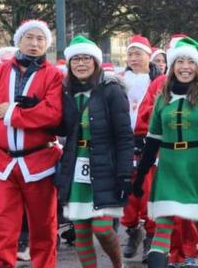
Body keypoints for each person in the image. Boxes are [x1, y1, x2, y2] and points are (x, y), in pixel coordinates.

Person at [0, 20, 63, 267]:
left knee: (43, 230)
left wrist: (14, 114)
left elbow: (54, 114)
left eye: (40, 39)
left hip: (40, 163)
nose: (35, 43)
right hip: (3, 163)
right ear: (19, 40)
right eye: (30, 37)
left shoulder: (54, 75)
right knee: (0, 228)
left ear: (46, 43)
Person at [133, 37, 198, 268]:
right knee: (164, 224)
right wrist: (141, 173)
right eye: (180, 61)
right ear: (173, 66)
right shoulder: (163, 97)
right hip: (169, 165)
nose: (185, 67)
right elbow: (152, 139)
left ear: (197, 67)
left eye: (190, 62)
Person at [54, 35, 134, 268]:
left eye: (86, 58)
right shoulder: (67, 92)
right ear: (69, 64)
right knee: (81, 231)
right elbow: (60, 126)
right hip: (75, 164)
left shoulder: (111, 90)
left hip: (104, 165)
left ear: (96, 62)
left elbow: (124, 135)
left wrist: (125, 172)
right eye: (75, 59)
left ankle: (118, 265)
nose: (80, 63)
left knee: (101, 227)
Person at [119, 34, 162, 263]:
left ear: (148, 56)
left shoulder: (158, 81)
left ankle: (151, 237)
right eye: (130, 54)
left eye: (138, 54)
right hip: (125, 142)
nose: (133, 58)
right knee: (126, 193)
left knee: (148, 191)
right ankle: (132, 229)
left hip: (149, 142)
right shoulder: (118, 81)